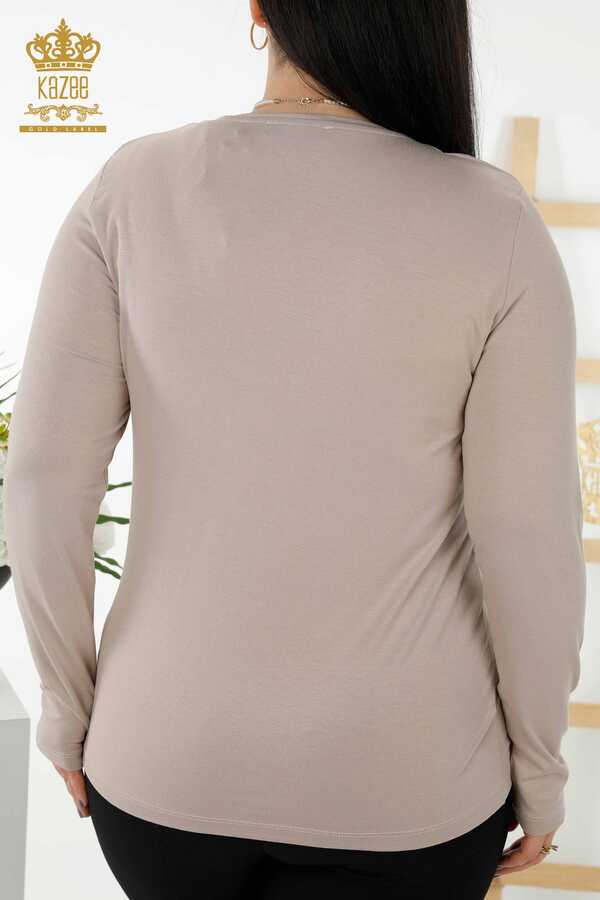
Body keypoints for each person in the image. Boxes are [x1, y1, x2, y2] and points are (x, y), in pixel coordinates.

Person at [4, 1, 586, 897]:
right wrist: (540, 769)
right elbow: (527, 534)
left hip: (163, 771)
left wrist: (66, 712)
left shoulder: (132, 190)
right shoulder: (494, 222)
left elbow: (44, 483)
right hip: (407, 786)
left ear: (258, 9)